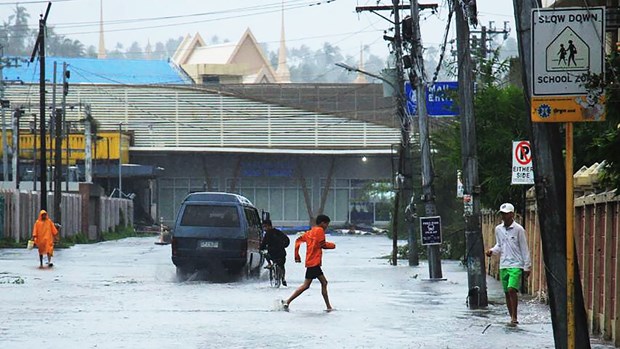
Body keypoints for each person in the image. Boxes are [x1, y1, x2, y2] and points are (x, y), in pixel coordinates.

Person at [486, 203, 531, 326]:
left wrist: (527, 266)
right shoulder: (498, 229)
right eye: (502, 214)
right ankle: (511, 316)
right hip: (504, 264)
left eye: (506, 214)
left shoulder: (519, 230)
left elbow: (524, 248)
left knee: (512, 289)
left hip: (516, 265)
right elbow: (499, 245)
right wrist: (492, 251)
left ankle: (515, 316)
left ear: (512, 214)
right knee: (506, 292)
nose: (503, 216)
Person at [282, 214, 336, 311]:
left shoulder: (310, 232)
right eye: (327, 224)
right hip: (314, 262)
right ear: (322, 223)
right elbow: (322, 244)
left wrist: (297, 255)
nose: (327, 226)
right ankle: (328, 307)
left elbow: (298, 240)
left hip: (310, 261)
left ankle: (288, 301)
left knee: (310, 285)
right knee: (319, 283)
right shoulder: (320, 230)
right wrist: (332, 245)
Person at [260, 219, 288, 287]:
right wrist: (283, 246)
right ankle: (283, 278)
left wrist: (261, 248)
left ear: (269, 226)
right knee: (282, 266)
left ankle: (270, 264)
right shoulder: (279, 232)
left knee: (265, 253)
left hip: (272, 253)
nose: (264, 229)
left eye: (265, 227)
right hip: (281, 252)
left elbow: (263, 244)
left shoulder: (268, 234)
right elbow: (287, 240)